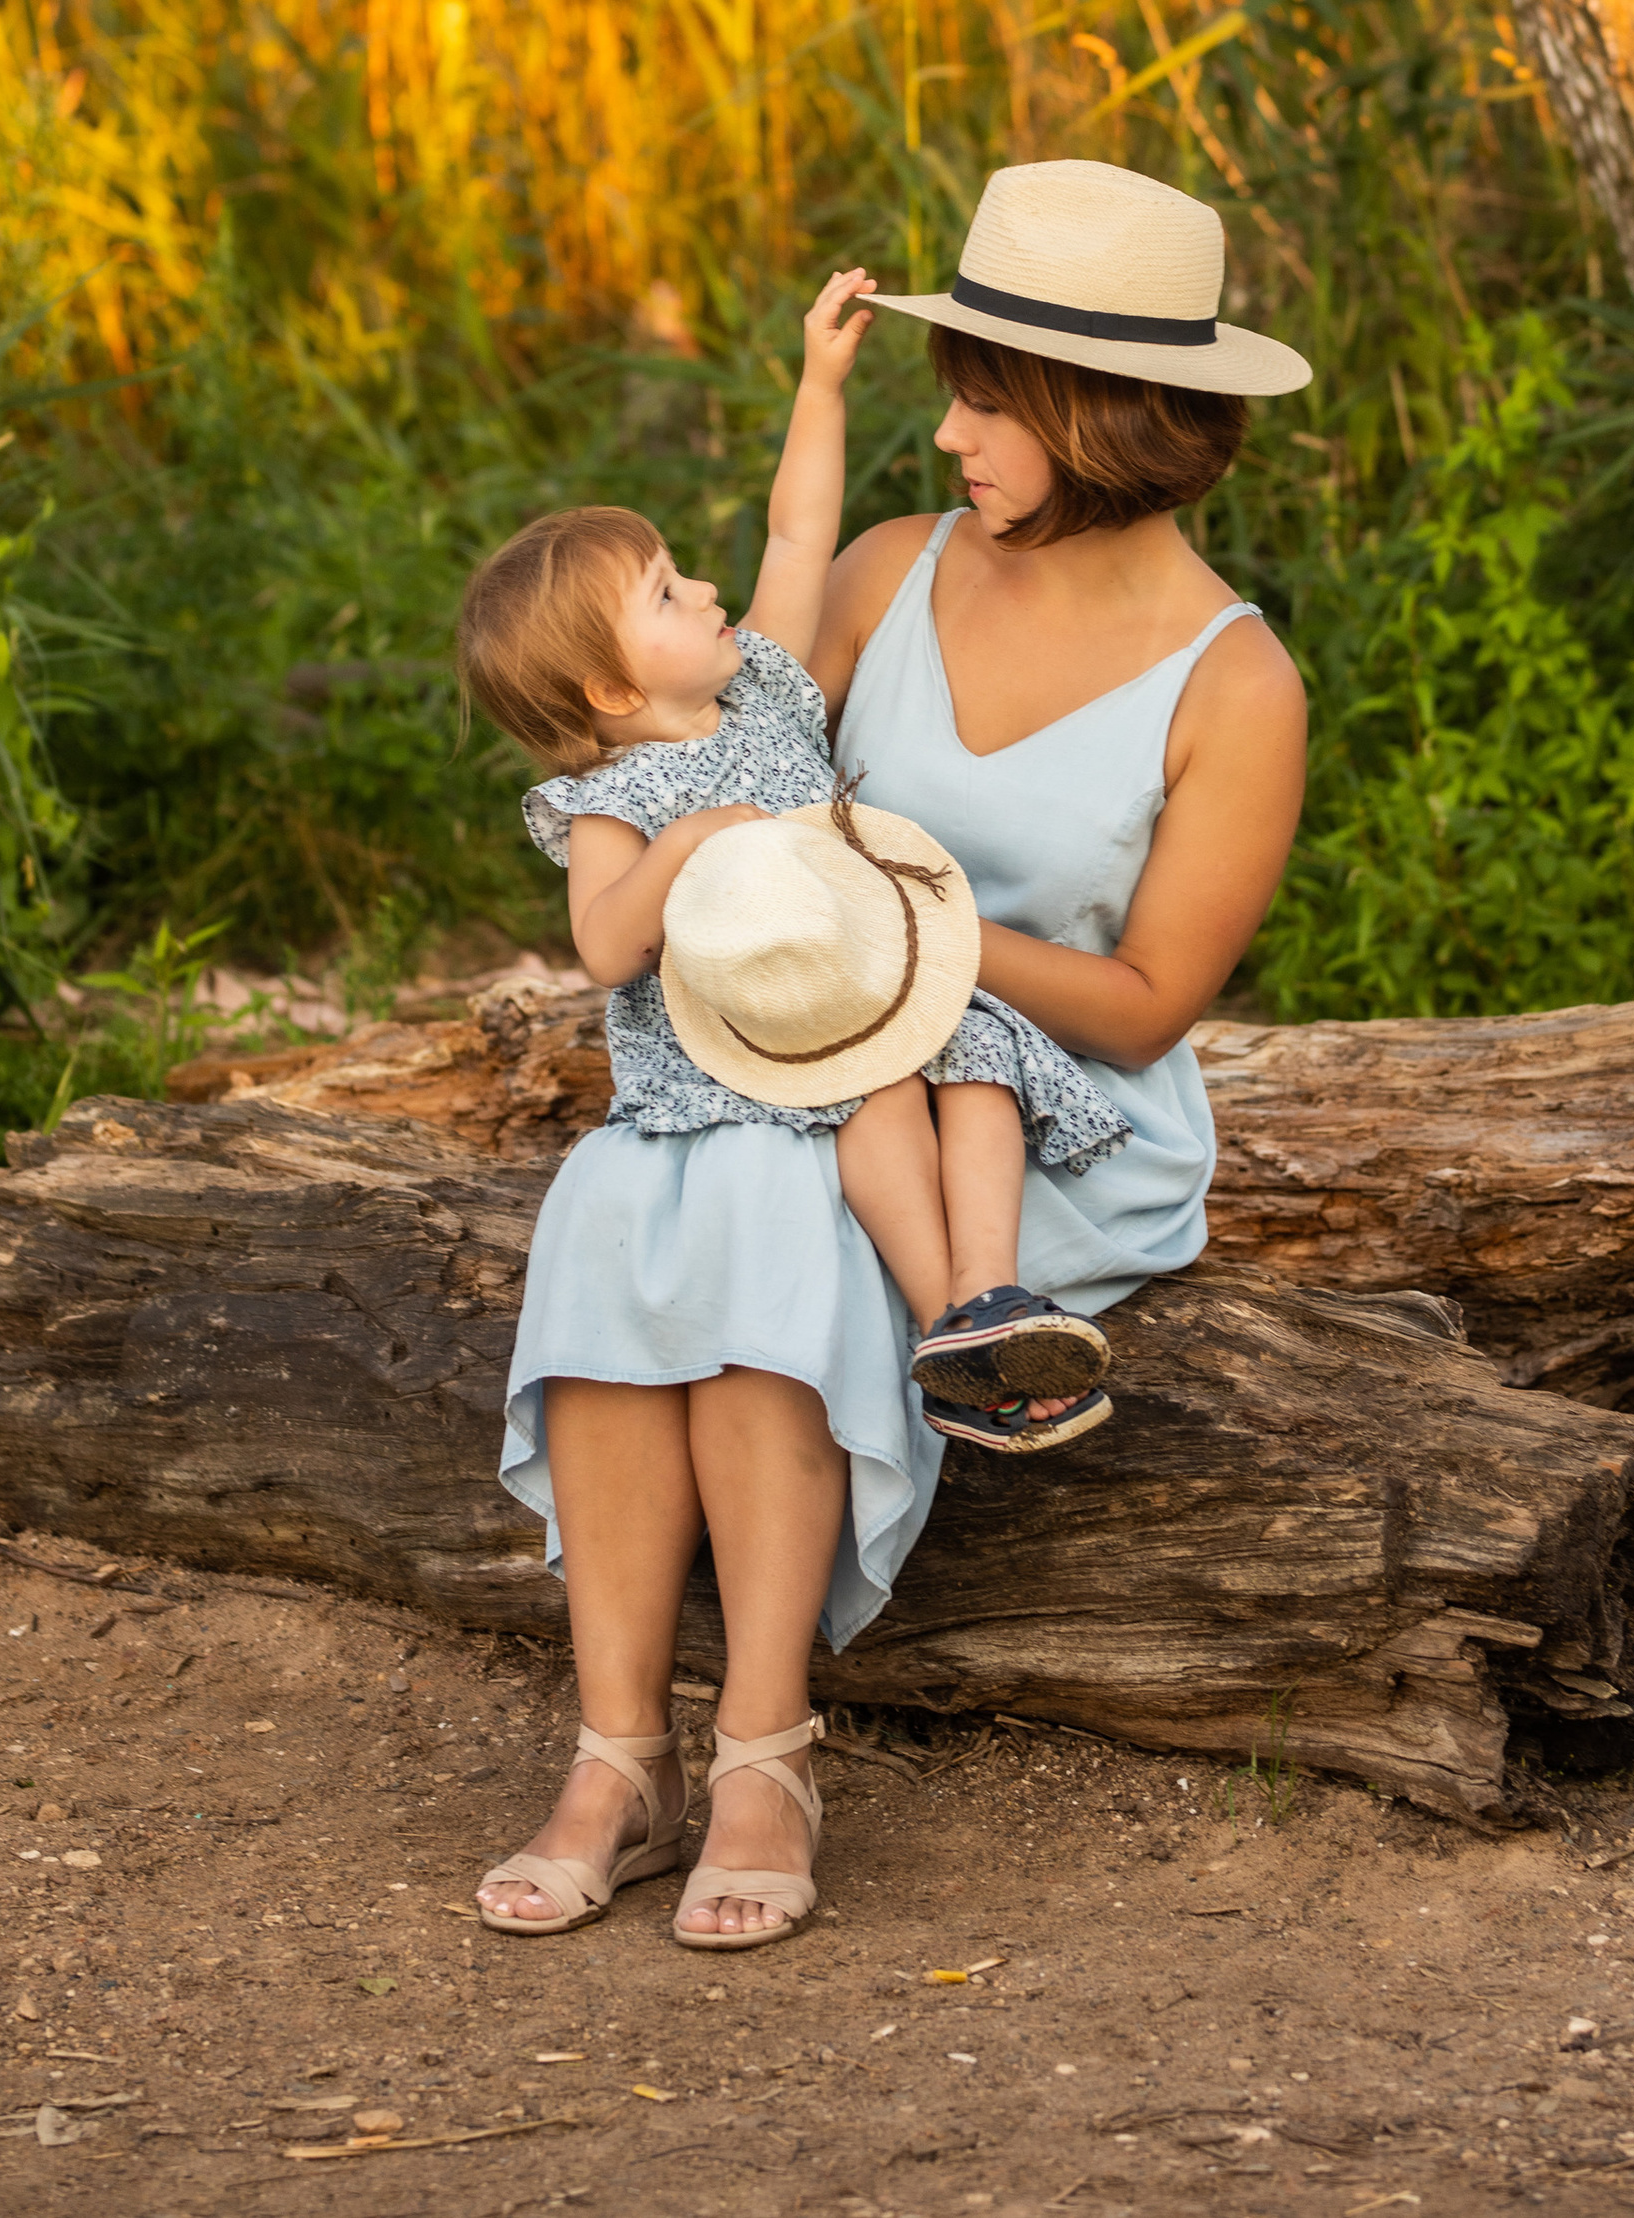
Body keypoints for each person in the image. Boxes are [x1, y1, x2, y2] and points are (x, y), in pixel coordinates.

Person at [465, 160, 1309, 1949]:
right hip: (808, 1046)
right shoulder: (883, 571)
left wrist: (901, 917)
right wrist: (808, 934)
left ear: (1116, 412)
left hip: (1041, 1099)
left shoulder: (1235, 686)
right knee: (621, 1206)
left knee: (772, 1207)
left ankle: (767, 1745)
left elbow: (1153, 994)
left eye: (991, 398)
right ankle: (619, 1754)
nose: (951, 431)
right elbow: (715, 754)